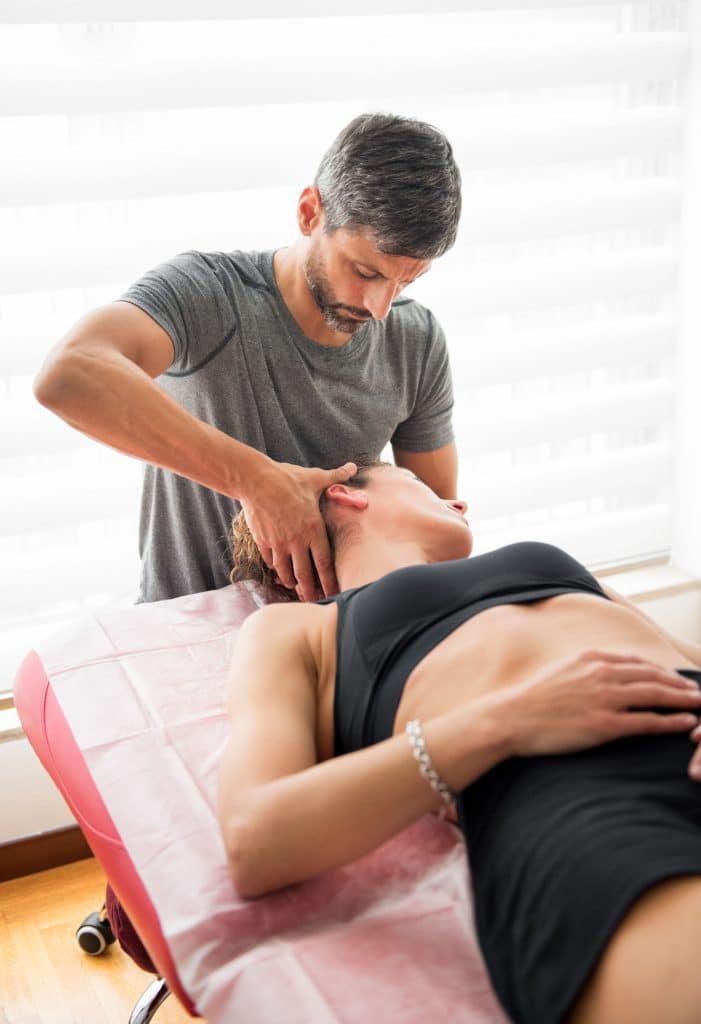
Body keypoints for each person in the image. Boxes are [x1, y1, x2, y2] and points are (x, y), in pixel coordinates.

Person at [218, 460, 701, 1024]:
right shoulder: (299, 629)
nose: (461, 504)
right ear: (347, 495)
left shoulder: (551, 560)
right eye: (423, 487)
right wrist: (514, 717)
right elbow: (256, 838)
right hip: (585, 804)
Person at [32, 113, 461, 604]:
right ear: (309, 212)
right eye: (364, 271)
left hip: (335, 641)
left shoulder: (417, 340)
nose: (379, 307)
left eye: (406, 281)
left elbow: (438, 530)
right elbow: (68, 375)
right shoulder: (208, 294)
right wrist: (257, 482)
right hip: (186, 634)